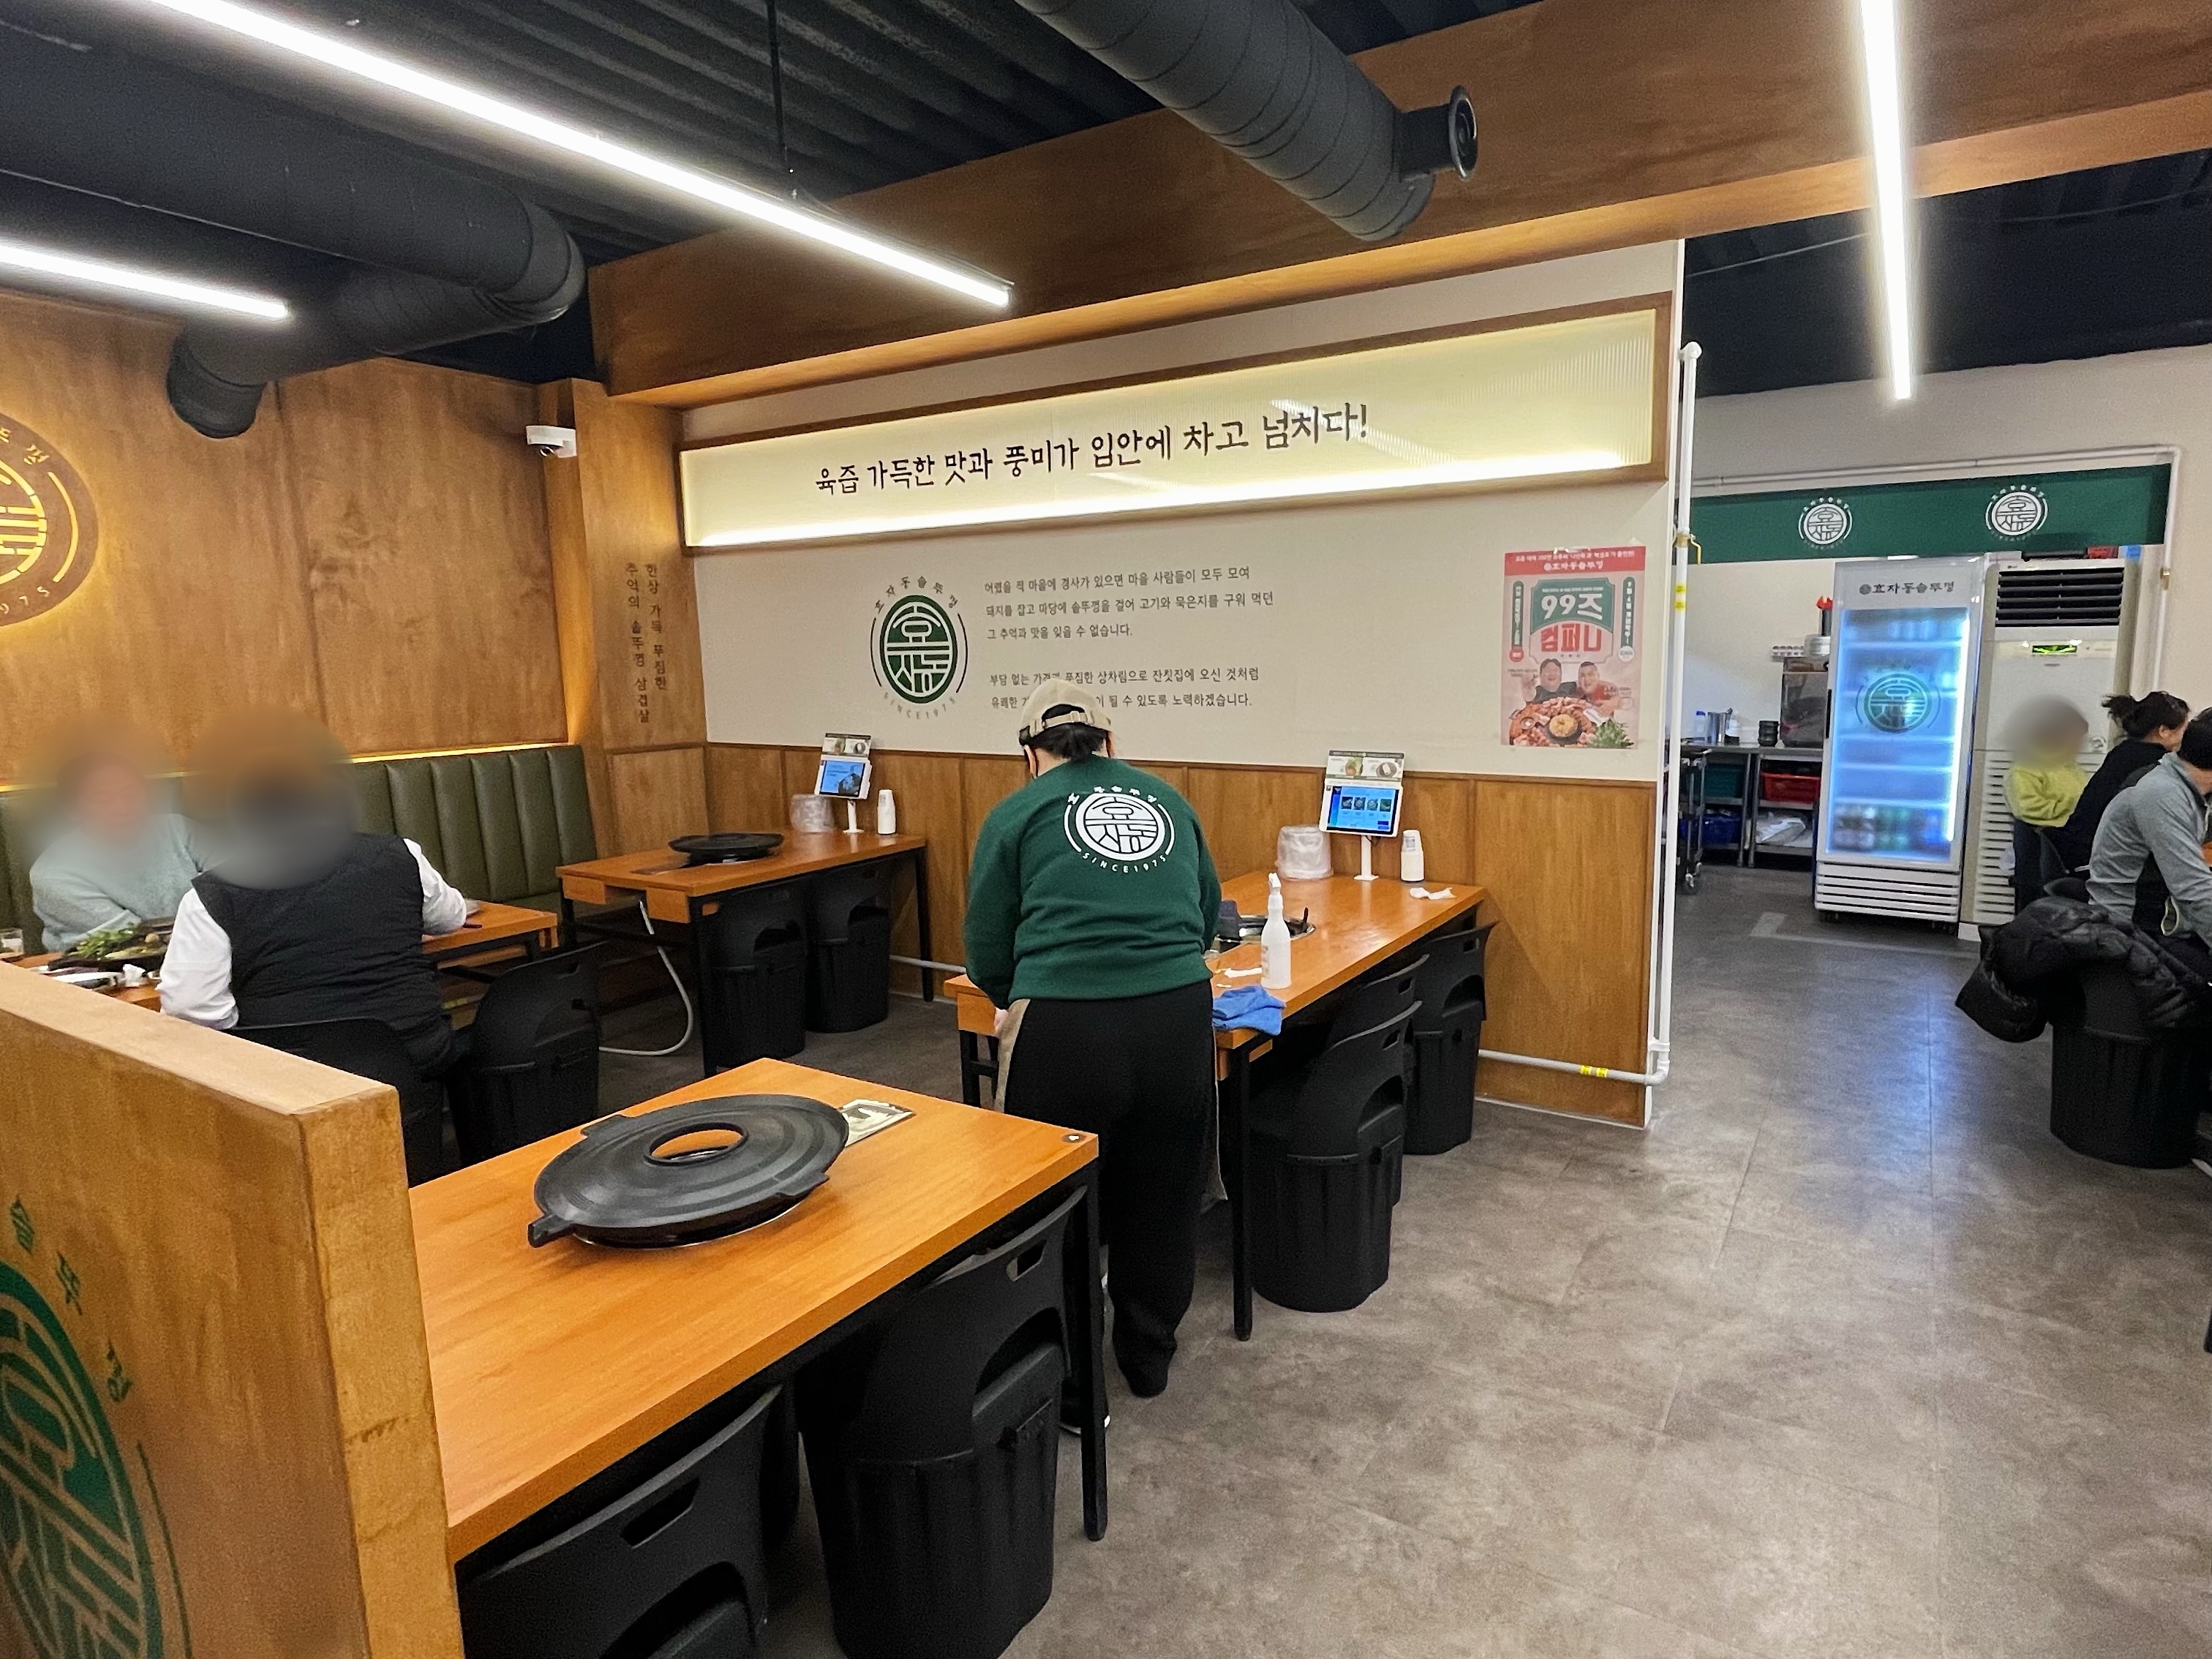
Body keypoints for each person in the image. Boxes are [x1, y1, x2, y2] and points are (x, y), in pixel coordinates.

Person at [964, 680, 1221, 1404]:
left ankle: (1077, 1391)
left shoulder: (1016, 813)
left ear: (1028, 754)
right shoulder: (1168, 800)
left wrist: (1016, 995)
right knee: (1164, 1195)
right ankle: (1148, 1357)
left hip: (1065, 1028)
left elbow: (985, 944)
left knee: (1058, 1209)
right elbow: (1205, 915)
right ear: (1110, 742)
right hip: (1177, 1017)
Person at [159, 718, 469, 1074]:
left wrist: (252, 1033)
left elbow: (190, 1008)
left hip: (299, 1074)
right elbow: (452, 917)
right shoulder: (402, 854)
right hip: (419, 1053)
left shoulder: (210, 896)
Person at [29, 748, 203, 953]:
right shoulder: (53, 873)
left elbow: (232, 892)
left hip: (202, 953)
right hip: (104, 965)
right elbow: (136, 937)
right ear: (72, 810)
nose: (122, 807)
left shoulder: (179, 829)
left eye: (131, 794)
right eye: (102, 799)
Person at [2085, 707, 2212, 981]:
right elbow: (2193, 889)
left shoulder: (2189, 788)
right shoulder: (2161, 793)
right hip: (2135, 929)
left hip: (2165, 916)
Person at [2050, 691, 2189, 870]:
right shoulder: (2155, 764)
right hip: (2094, 859)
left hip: (2073, 845)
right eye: (2183, 730)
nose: (2186, 737)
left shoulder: (2125, 751)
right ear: (2164, 731)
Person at [2001, 698, 2089, 912]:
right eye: (2074, 738)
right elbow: (2026, 808)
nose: (2079, 746)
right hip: (2037, 849)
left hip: (2064, 849)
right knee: (2034, 905)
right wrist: (2074, 806)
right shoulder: (2026, 768)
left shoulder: (2072, 768)